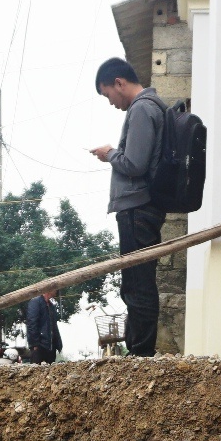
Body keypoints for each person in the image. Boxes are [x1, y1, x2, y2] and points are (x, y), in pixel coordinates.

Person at [89, 57, 166, 358]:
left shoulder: (142, 109)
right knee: (136, 283)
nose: (111, 102)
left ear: (119, 83)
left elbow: (134, 163)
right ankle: (138, 351)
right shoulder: (149, 107)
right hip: (141, 208)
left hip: (137, 209)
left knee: (138, 285)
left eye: (108, 94)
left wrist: (110, 153)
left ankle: (140, 353)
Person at [24, 286, 62, 364]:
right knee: (36, 370)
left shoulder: (51, 306)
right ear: (48, 289)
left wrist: (57, 343)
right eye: (55, 287)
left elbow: (54, 326)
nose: (56, 290)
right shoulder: (35, 302)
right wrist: (34, 343)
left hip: (50, 345)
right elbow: (32, 323)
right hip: (39, 345)